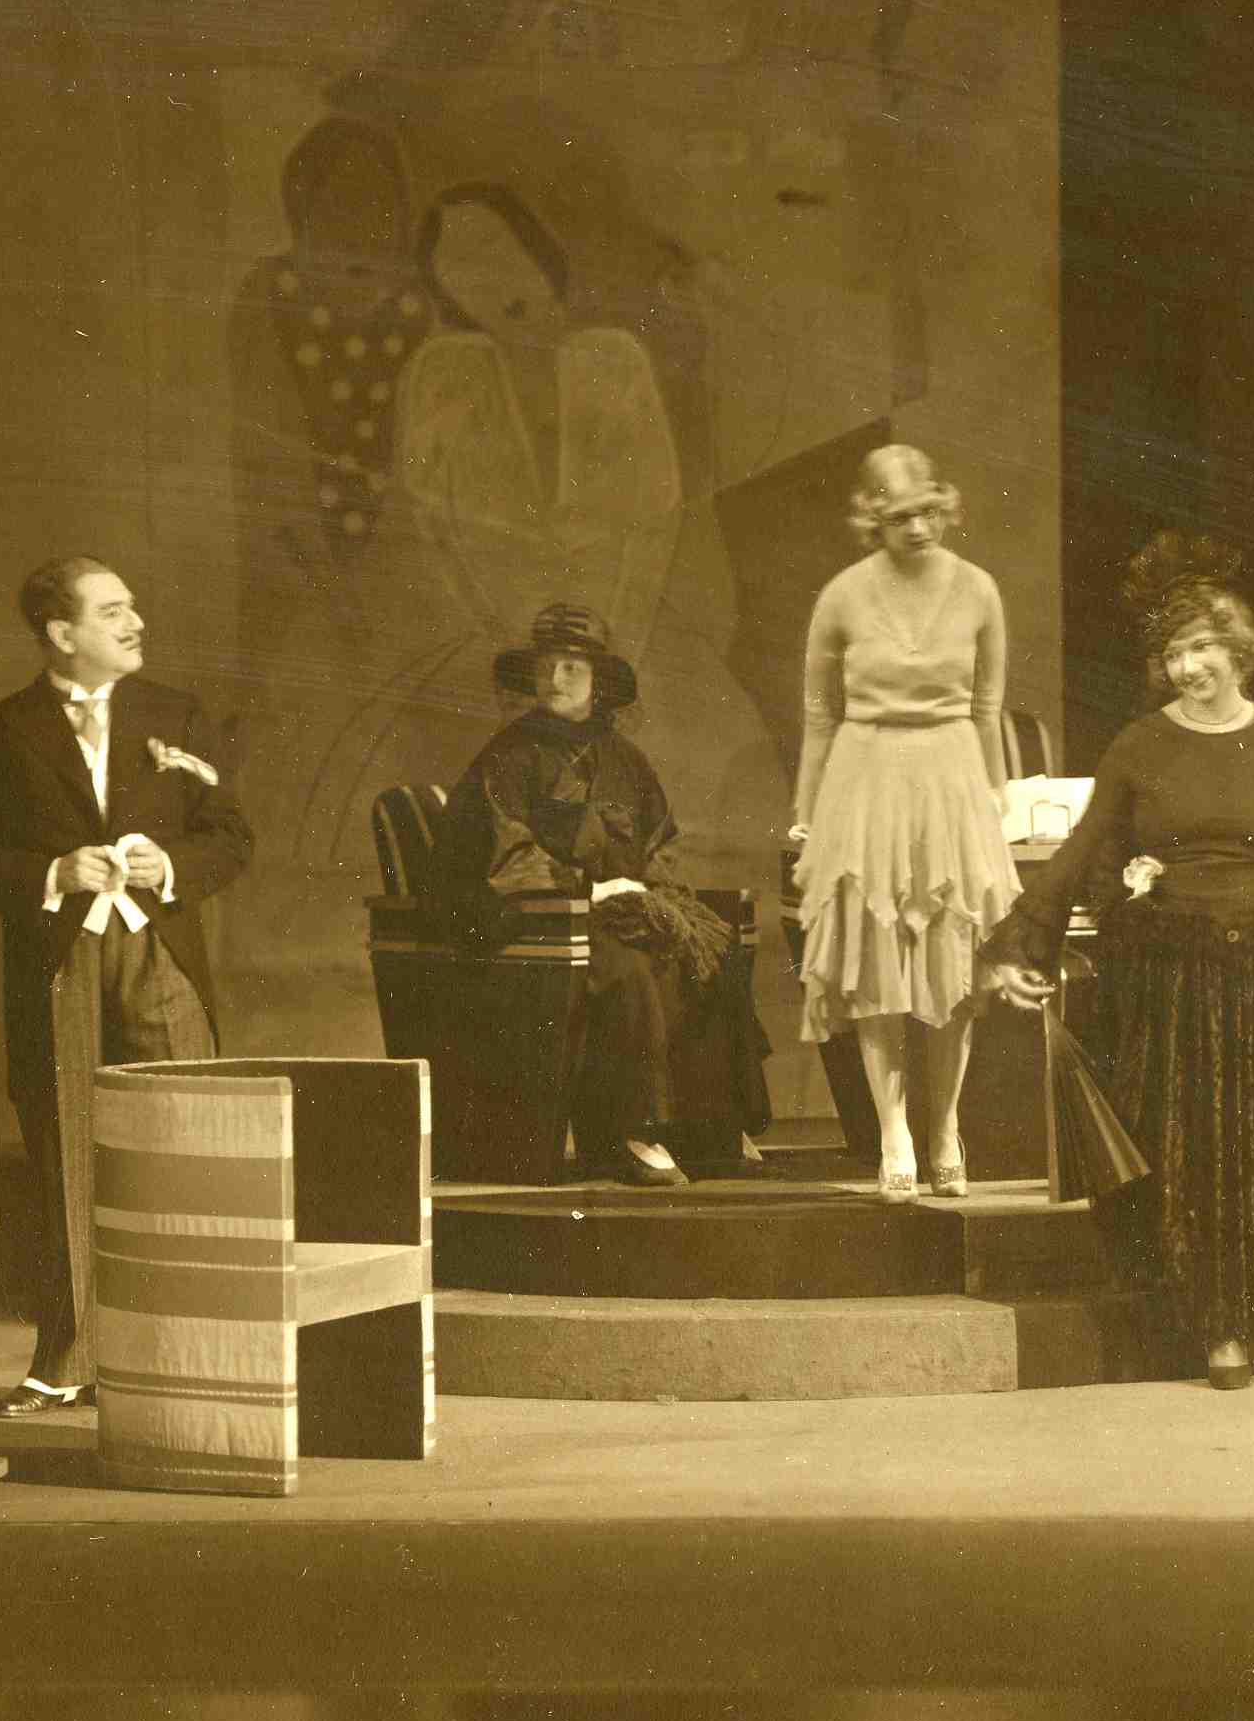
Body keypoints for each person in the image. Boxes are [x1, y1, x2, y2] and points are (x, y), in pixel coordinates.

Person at [988, 540, 1254, 1389]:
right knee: (1187, 1152)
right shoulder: (1140, 744)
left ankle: (1233, 1319)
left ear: (1240, 650)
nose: (1187, 667)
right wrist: (1020, 944)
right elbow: (1081, 852)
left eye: (1201, 648)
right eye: (1174, 653)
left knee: (1246, 1152)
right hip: (1169, 985)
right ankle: (1205, 1319)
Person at [0, 557, 253, 1410]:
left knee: (191, 1142)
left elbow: (230, 837)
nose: (135, 622)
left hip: (161, 956)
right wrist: (51, 872)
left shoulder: (177, 714)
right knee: (66, 1153)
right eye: (112, 610)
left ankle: (197, 1352)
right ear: (61, 632)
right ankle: (69, 1360)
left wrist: (170, 866)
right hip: (57, 962)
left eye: (132, 606)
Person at [436, 602, 768, 1185]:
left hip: (620, 907)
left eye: (571, 667)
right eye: (546, 666)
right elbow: (508, 855)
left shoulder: (625, 758)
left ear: (598, 681)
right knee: (628, 970)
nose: (555, 678)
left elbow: (661, 841)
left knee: (705, 955)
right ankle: (627, 1133)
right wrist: (587, 891)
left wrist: (650, 894)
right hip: (540, 921)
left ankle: (710, 1127)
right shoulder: (509, 756)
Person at [788, 444, 1020, 1197]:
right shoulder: (841, 596)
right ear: (872, 521)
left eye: (927, 512)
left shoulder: (979, 589)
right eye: (899, 518)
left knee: (952, 964)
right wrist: (807, 814)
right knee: (876, 964)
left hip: (951, 777)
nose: (917, 528)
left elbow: (986, 710)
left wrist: (996, 802)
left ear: (943, 507)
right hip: (866, 780)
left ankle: (944, 1126)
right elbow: (819, 717)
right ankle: (894, 1134)